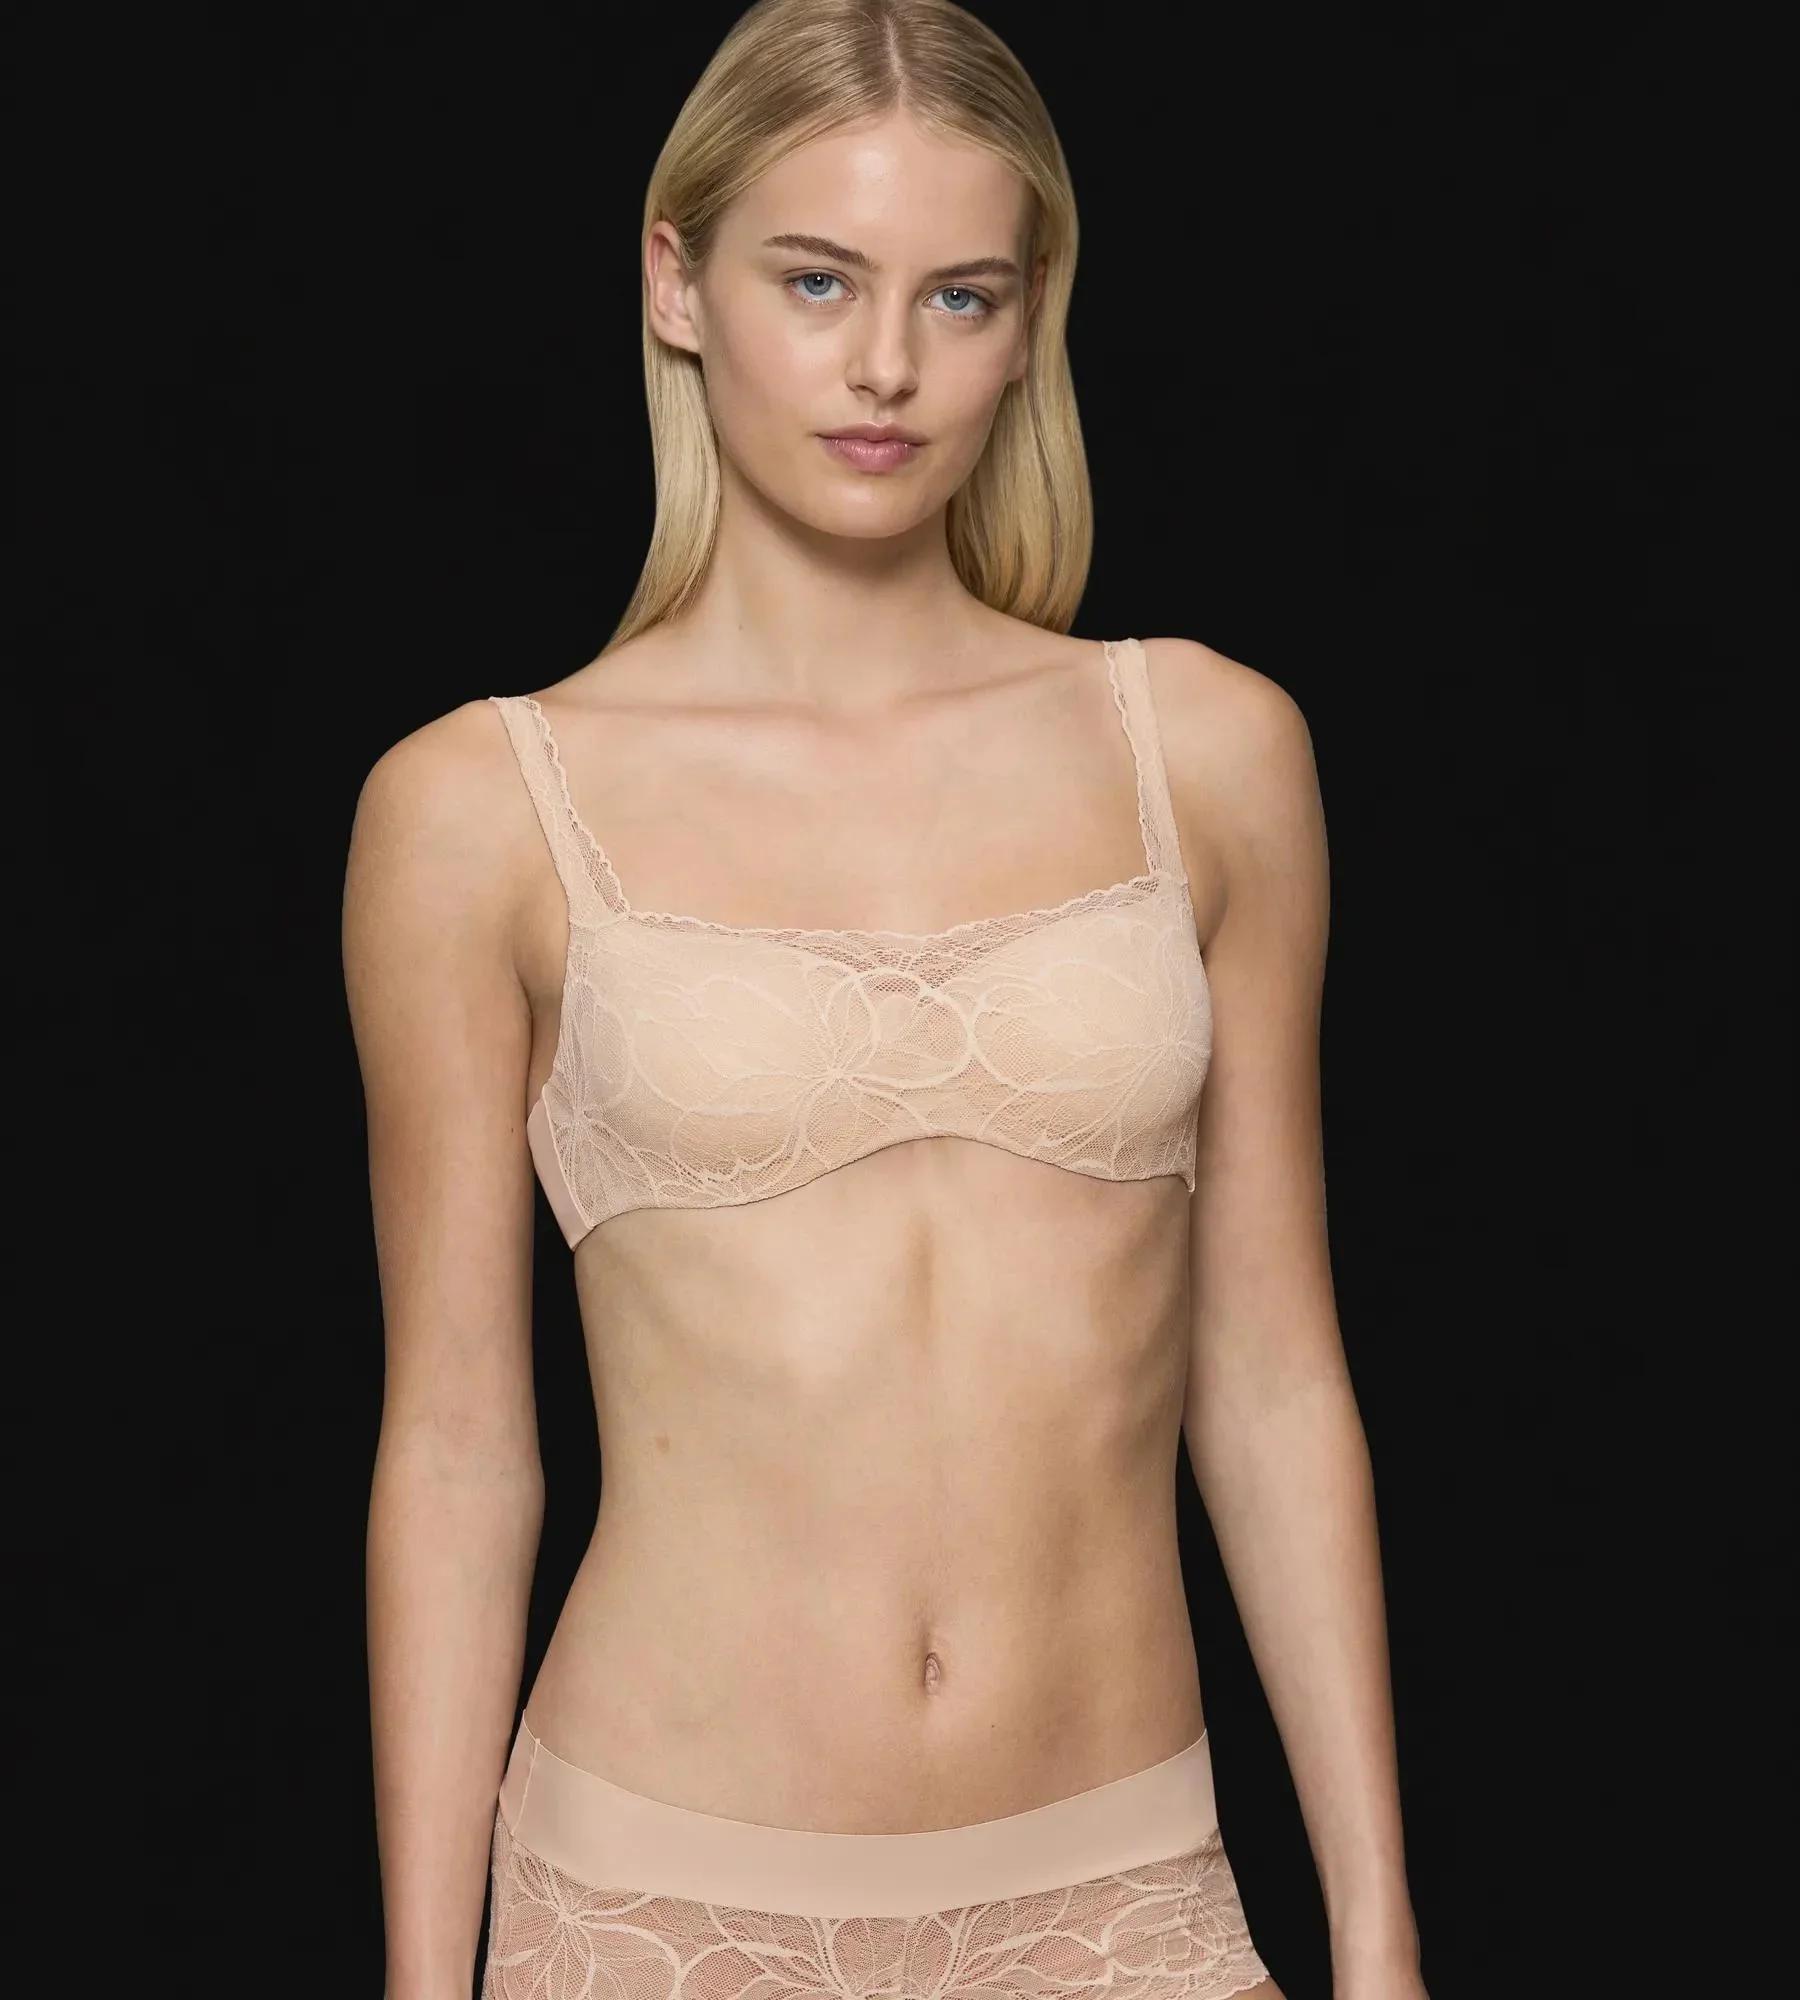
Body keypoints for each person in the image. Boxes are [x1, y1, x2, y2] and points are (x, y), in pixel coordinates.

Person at [343, 3, 1428, 1995]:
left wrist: (1377, 1935)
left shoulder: (1205, 750)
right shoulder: (477, 808)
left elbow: (1274, 1380)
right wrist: (425, 1980)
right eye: (817, 280)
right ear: (677, 284)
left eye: (961, 295)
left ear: (1030, 322)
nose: (886, 367)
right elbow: (459, 1446)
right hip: (654, 1903)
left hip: (1123, 1891)